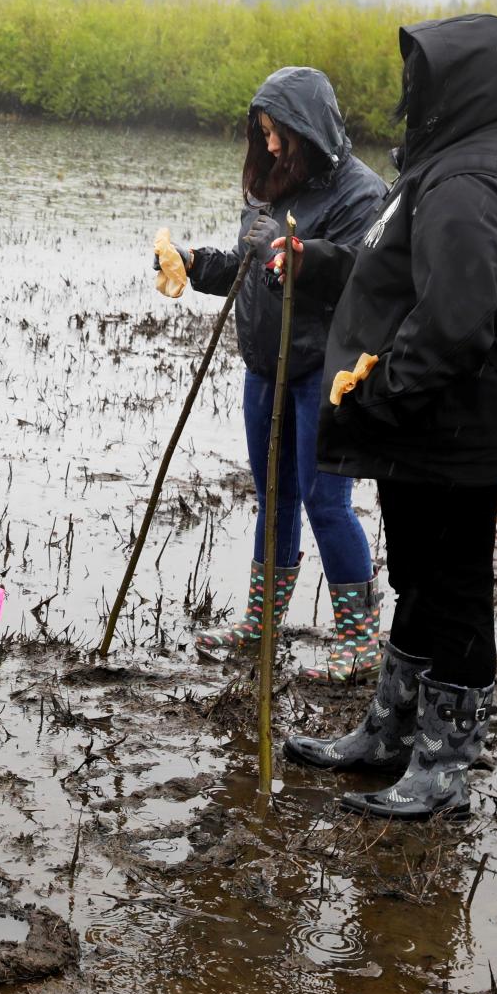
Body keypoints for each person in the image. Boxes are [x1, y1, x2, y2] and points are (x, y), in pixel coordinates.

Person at [278, 14, 497, 820]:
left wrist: (378, 391)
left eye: (426, 77)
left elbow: (457, 325)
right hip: (432, 429)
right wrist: (324, 262)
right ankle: (389, 731)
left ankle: (442, 766)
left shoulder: (471, 183)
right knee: (423, 580)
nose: (413, 93)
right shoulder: (457, 164)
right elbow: (392, 270)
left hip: (453, 428)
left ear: (463, 84)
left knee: (455, 587)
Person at [164, 69, 387, 682]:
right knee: (273, 495)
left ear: (308, 131)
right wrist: (192, 264)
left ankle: (360, 642)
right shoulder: (270, 184)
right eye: (261, 133)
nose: (268, 147)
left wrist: (297, 261)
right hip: (265, 368)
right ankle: (263, 623)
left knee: (325, 500)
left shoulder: (361, 195)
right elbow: (245, 262)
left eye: (278, 135)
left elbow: (366, 280)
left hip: (325, 368)